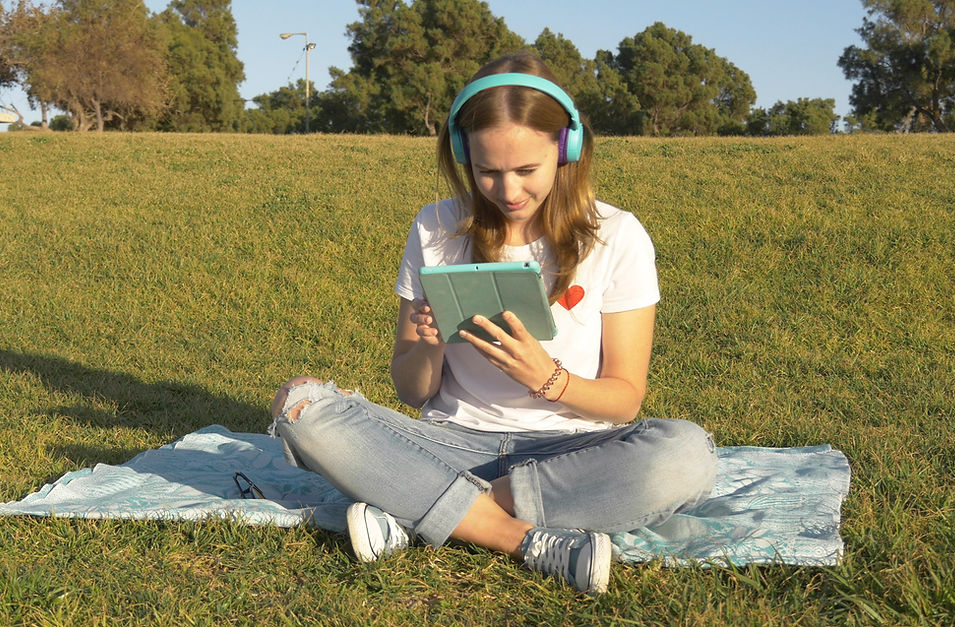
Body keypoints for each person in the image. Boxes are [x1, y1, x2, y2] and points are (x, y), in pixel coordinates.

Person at [269, 51, 717, 594]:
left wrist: (547, 379)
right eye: (487, 171)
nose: (507, 192)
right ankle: (521, 539)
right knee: (302, 406)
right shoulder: (436, 226)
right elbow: (413, 392)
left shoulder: (617, 235)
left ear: (565, 149)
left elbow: (625, 400)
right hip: (447, 440)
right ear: (463, 154)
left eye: (527, 171)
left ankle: (418, 508)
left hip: (571, 452)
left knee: (686, 455)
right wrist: (430, 345)